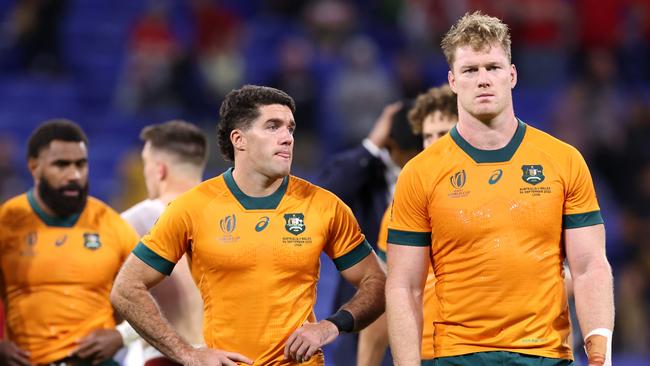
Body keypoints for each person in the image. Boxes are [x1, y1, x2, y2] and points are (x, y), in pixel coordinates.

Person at [386, 12, 614, 366]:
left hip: (544, 354)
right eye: (470, 70)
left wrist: (600, 353)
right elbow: (404, 287)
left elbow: (589, 266)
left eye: (493, 67)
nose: (483, 80)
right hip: (455, 356)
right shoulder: (420, 173)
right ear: (452, 81)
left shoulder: (563, 160)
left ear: (512, 75)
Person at [110, 85, 386, 365]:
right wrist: (187, 353)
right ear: (239, 140)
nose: (287, 138)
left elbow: (376, 281)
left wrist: (331, 326)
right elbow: (126, 288)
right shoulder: (192, 207)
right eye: (272, 127)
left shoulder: (324, 205)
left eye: (290, 128)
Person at [0, 119, 139, 365]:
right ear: (34, 167)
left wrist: (122, 335)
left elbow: (156, 297)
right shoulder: (7, 222)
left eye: (80, 165)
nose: (74, 175)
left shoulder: (112, 224)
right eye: (61, 165)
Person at [358, 84, 458, 366]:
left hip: (491, 349)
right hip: (424, 353)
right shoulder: (400, 208)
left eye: (443, 133)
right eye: (427, 136)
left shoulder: (503, 195)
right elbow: (384, 296)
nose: (433, 143)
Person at [317, 100, 422, 366]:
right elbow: (325, 197)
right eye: (408, 153)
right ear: (391, 145)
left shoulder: (430, 174)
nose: (414, 160)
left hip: (417, 311)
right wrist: (372, 144)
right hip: (362, 307)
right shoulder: (364, 171)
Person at [120, 120, 208, 366]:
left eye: (146, 164)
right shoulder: (234, 217)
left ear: (159, 170)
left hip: (168, 358)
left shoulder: (136, 220)